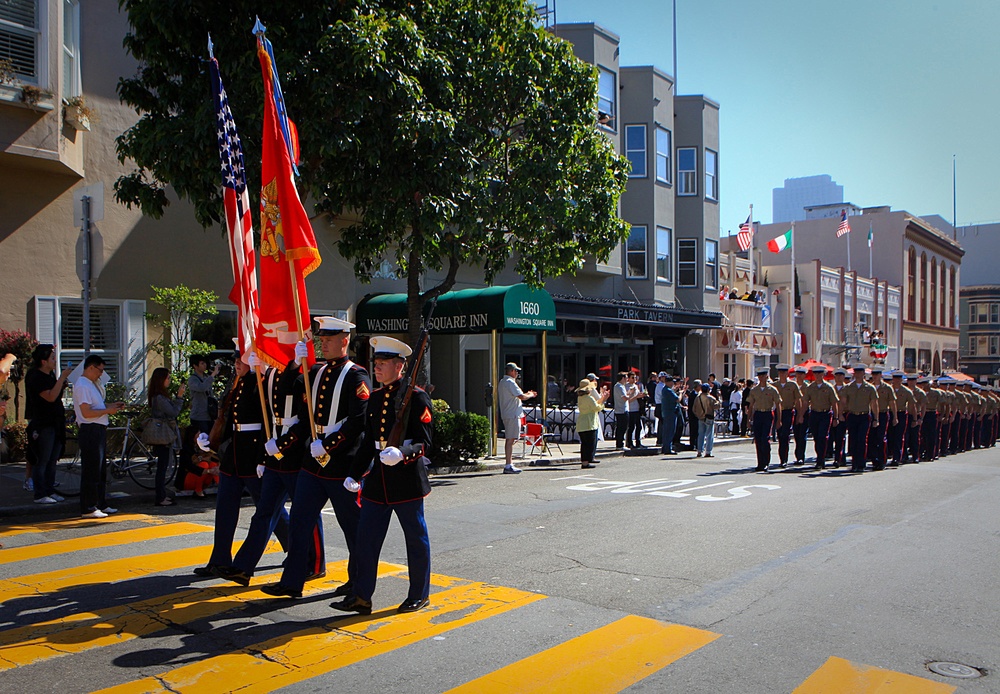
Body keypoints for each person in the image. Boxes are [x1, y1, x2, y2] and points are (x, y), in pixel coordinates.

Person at [260, 317, 370, 599]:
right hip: (313, 463)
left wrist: (329, 445)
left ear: (344, 341)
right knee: (299, 521)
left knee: (353, 528)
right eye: (321, 339)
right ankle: (292, 581)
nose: (323, 343)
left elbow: (357, 421)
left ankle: (357, 583)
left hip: (341, 462)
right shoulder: (317, 371)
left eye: (329, 339)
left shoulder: (356, 375)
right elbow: (286, 391)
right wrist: (295, 364)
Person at [331, 336, 433, 616]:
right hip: (378, 481)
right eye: (375, 363)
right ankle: (361, 596)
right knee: (366, 540)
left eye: (383, 364)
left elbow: (424, 442)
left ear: (399, 366)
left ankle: (419, 595)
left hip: (406, 481)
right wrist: (354, 474)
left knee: (415, 539)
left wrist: (402, 452)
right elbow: (367, 443)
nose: (376, 368)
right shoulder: (375, 398)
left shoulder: (417, 397)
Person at [193, 348, 289, 577]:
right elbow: (229, 418)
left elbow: (268, 423)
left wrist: (263, 458)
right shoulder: (237, 383)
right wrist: (211, 441)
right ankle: (219, 560)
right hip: (234, 454)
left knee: (269, 509)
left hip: (253, 454)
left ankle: (298, 551)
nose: (236, 363)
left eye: (241, 359)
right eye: (235, 360)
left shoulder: (262, 383)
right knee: (225, 508)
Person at [73, 355, 125, 518]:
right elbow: (86, 413)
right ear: (90, 367)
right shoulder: (82, 385)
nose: (101, 374)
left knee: (100, 469)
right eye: (100, 370)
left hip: (98, 428)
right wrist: (107, 410)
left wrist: (110, 406)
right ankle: (88, 506)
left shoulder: (91, 384)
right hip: (90, 429)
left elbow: (96, 407)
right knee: (92, 469)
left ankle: (100, 502)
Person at [25, 345, 73, 504]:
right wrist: (61, 378)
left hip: (56, 421)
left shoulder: (50, 375)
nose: (55, 361)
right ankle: (40, 493)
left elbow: (56, 394)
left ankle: (50, 490)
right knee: (43, 459)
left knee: (53, 459)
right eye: (52, 358)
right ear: (43, 361)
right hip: (43, 423)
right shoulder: (35, 377)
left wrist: (62, 383)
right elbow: (50, 397)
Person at [146, 367, 185, 506]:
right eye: (167, 378)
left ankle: (162, 495)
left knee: (162, 466)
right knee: (162, 467)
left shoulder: (159, 396)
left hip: (162, 433)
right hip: (162, 434)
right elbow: (173, 412)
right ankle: (160, 497)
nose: (169, 380)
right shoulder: (160, 398)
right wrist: (179, 397)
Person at [839, 364, 879, 473]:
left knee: (862, 440)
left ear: (863, 374)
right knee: (853, 440)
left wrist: (876, 418)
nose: (858, 375)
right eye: (856, 372)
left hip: (864, 416)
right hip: (852, 415)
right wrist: (840, 414)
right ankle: (854, 463)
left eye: (860, 372)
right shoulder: (848, 387)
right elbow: (842, 402)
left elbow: (874, 404)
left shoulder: (870, 388)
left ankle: (861, 463)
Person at [497, 362, 535, 474]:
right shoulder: (510, 382)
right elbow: (522, 396)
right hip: (513, 414)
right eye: (516, 371)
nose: (517, 373)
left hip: (508, 413)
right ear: (512, 371)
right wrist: (531, 394)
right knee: (511, 439)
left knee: (511, 438)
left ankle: (509, 463)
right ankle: (508, 464)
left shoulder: (502, 382)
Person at [745, 367, 781, 473]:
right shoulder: (754, 390)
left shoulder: (772, 389)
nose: (761, 378)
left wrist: (779, 419)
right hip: (758, 414)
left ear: (767, 376)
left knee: (765, 439)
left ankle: (766, 462)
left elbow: (778, 404)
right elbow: (751, 405)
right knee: (758, 439)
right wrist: (748, 420)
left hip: (768, 414)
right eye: (759, 376)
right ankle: (760, 462)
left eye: (763, 376)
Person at [804, 364, 839, 470]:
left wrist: (836, 417)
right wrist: (802, 415)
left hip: (825, 414)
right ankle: (819, 457)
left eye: (820, 373)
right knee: (816, 438)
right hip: (814, 414)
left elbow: (834, 403)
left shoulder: (828, 387)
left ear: (823, 374)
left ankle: (821, 460)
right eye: (816, 373)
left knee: (822, 437)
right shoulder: (810, 387)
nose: (818, 375)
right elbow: (806, 402)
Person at [868, 366, 897, 471]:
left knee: (881, 438)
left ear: (881, 375)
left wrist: (895, 417)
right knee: (871, 438)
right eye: (873, 375)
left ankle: (882, 461)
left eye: (877, 374)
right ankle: (874, 460)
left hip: (883, 414)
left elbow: (892, 403)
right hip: (871, 414)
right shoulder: (869, 387)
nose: (875, 377)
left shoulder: (887, 388)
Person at [577, 378, 611, 468]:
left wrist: (602, 398)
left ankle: (585, 461)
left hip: (582, 422)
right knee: (590, 443)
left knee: (584, 443)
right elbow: (597, 408)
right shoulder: (589, 398)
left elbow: (594, 404)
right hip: (589, 423)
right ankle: (587, 461)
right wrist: (604, 400)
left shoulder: (580, 398)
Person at [773, 365, 800, 467]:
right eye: (780, 373)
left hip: (789, 411)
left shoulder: (792, 385)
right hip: (778, 412)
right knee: (780, 435)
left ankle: (784, 459)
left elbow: (798, 400)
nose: (782, 375)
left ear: (787, 373)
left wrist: (799, 414)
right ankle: (782, 458)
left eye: (784, 373)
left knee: (785, 435)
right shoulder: (775, 385)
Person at [187, 355, 220, 434]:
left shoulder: (206, 377)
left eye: (205, 363)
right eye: (202, 363)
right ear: (195, 366)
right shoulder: (192, 379)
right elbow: (202, 387)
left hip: (209, 415)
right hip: (199, 417)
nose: (204, 365)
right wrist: (213, 375)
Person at [691, 383, 720, 457]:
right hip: (709, 417)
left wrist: (698, 415)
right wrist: (719, 398)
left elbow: (693, 409)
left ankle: (699, 451)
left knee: (700, 435)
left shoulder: (698, 398)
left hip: (700, 418)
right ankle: (708, 452)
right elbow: (717, 406)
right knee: (709, 435)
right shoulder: (711, 398)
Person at [792, 366, 810, 465]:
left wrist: (801, 414)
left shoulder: (807, 387)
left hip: (804, 412)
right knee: (796, 435)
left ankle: (800, 456)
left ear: (804, 375)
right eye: (798, 374)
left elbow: (808, 401)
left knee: (802, 434)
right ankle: (797, 454)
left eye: (801, 374)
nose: (799, 376)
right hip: (794, 411)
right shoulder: (793, 385)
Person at [659, 376, 681, 455]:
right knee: (670, 431)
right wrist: (681, 393)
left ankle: (665, 447)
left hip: (667, 412)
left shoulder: (666, 390)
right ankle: (668, 448)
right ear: (667, 382)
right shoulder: (668, 390)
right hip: (670, 413)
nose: (673, 383)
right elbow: (678, 399)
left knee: (666, 431)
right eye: (671, 382)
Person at [626, 372, 645, 448]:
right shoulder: (626, 387)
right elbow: (628, 400)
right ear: (629, 378)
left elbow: (637, 396)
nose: (634, 379)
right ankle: (629, 442)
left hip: (637, 408)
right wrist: (636, 396)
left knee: (639, 426)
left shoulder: (636, 386)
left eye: (635, 377)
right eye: (632, 378)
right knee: (631, 427)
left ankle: (638, 442)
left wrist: (641, 396)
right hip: (631, 409)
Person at [612, 372, 629, 449]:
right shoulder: (619, 386)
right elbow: (625, 398)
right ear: (622, 378)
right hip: (621, 410)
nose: (627, 379)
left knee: (622, 427)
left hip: (622, 409)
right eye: (626, 378)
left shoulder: (620, 386)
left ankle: (620, 443)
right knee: (622, 427)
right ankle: (619, 444)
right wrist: (632, 394)